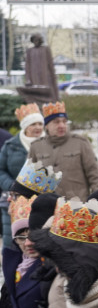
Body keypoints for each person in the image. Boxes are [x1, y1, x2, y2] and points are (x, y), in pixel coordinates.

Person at [30, 102, 98, 201]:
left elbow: (95, 176)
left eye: (64, 121)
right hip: (47, 205)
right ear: (47, 125)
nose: (61, 125)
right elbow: (30, 179)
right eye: (56, 122)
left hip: (77, 204)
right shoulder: (36, 146)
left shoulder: (80, 143)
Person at [0, 104, 45, 249]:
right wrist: (12, 186)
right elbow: (1, 169)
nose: (38, 127)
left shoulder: (49, 144)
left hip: (42, 198)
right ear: (25, 126)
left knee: (39, 241)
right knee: (13, 241)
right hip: (14, 199)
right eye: (33, 124)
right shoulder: (10, 145)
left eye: (40, 124)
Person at [21, 34, 59, 104]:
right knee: (36, 92)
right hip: (34, 75)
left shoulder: (46, 49)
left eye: (37, 40)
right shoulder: (30, 51)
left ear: (40, 41)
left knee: (46, 92)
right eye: (34, 40)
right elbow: (27, 66)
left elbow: (50, 63)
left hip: (45, 75)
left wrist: (53, 75)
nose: (36, 42)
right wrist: (28, 79)